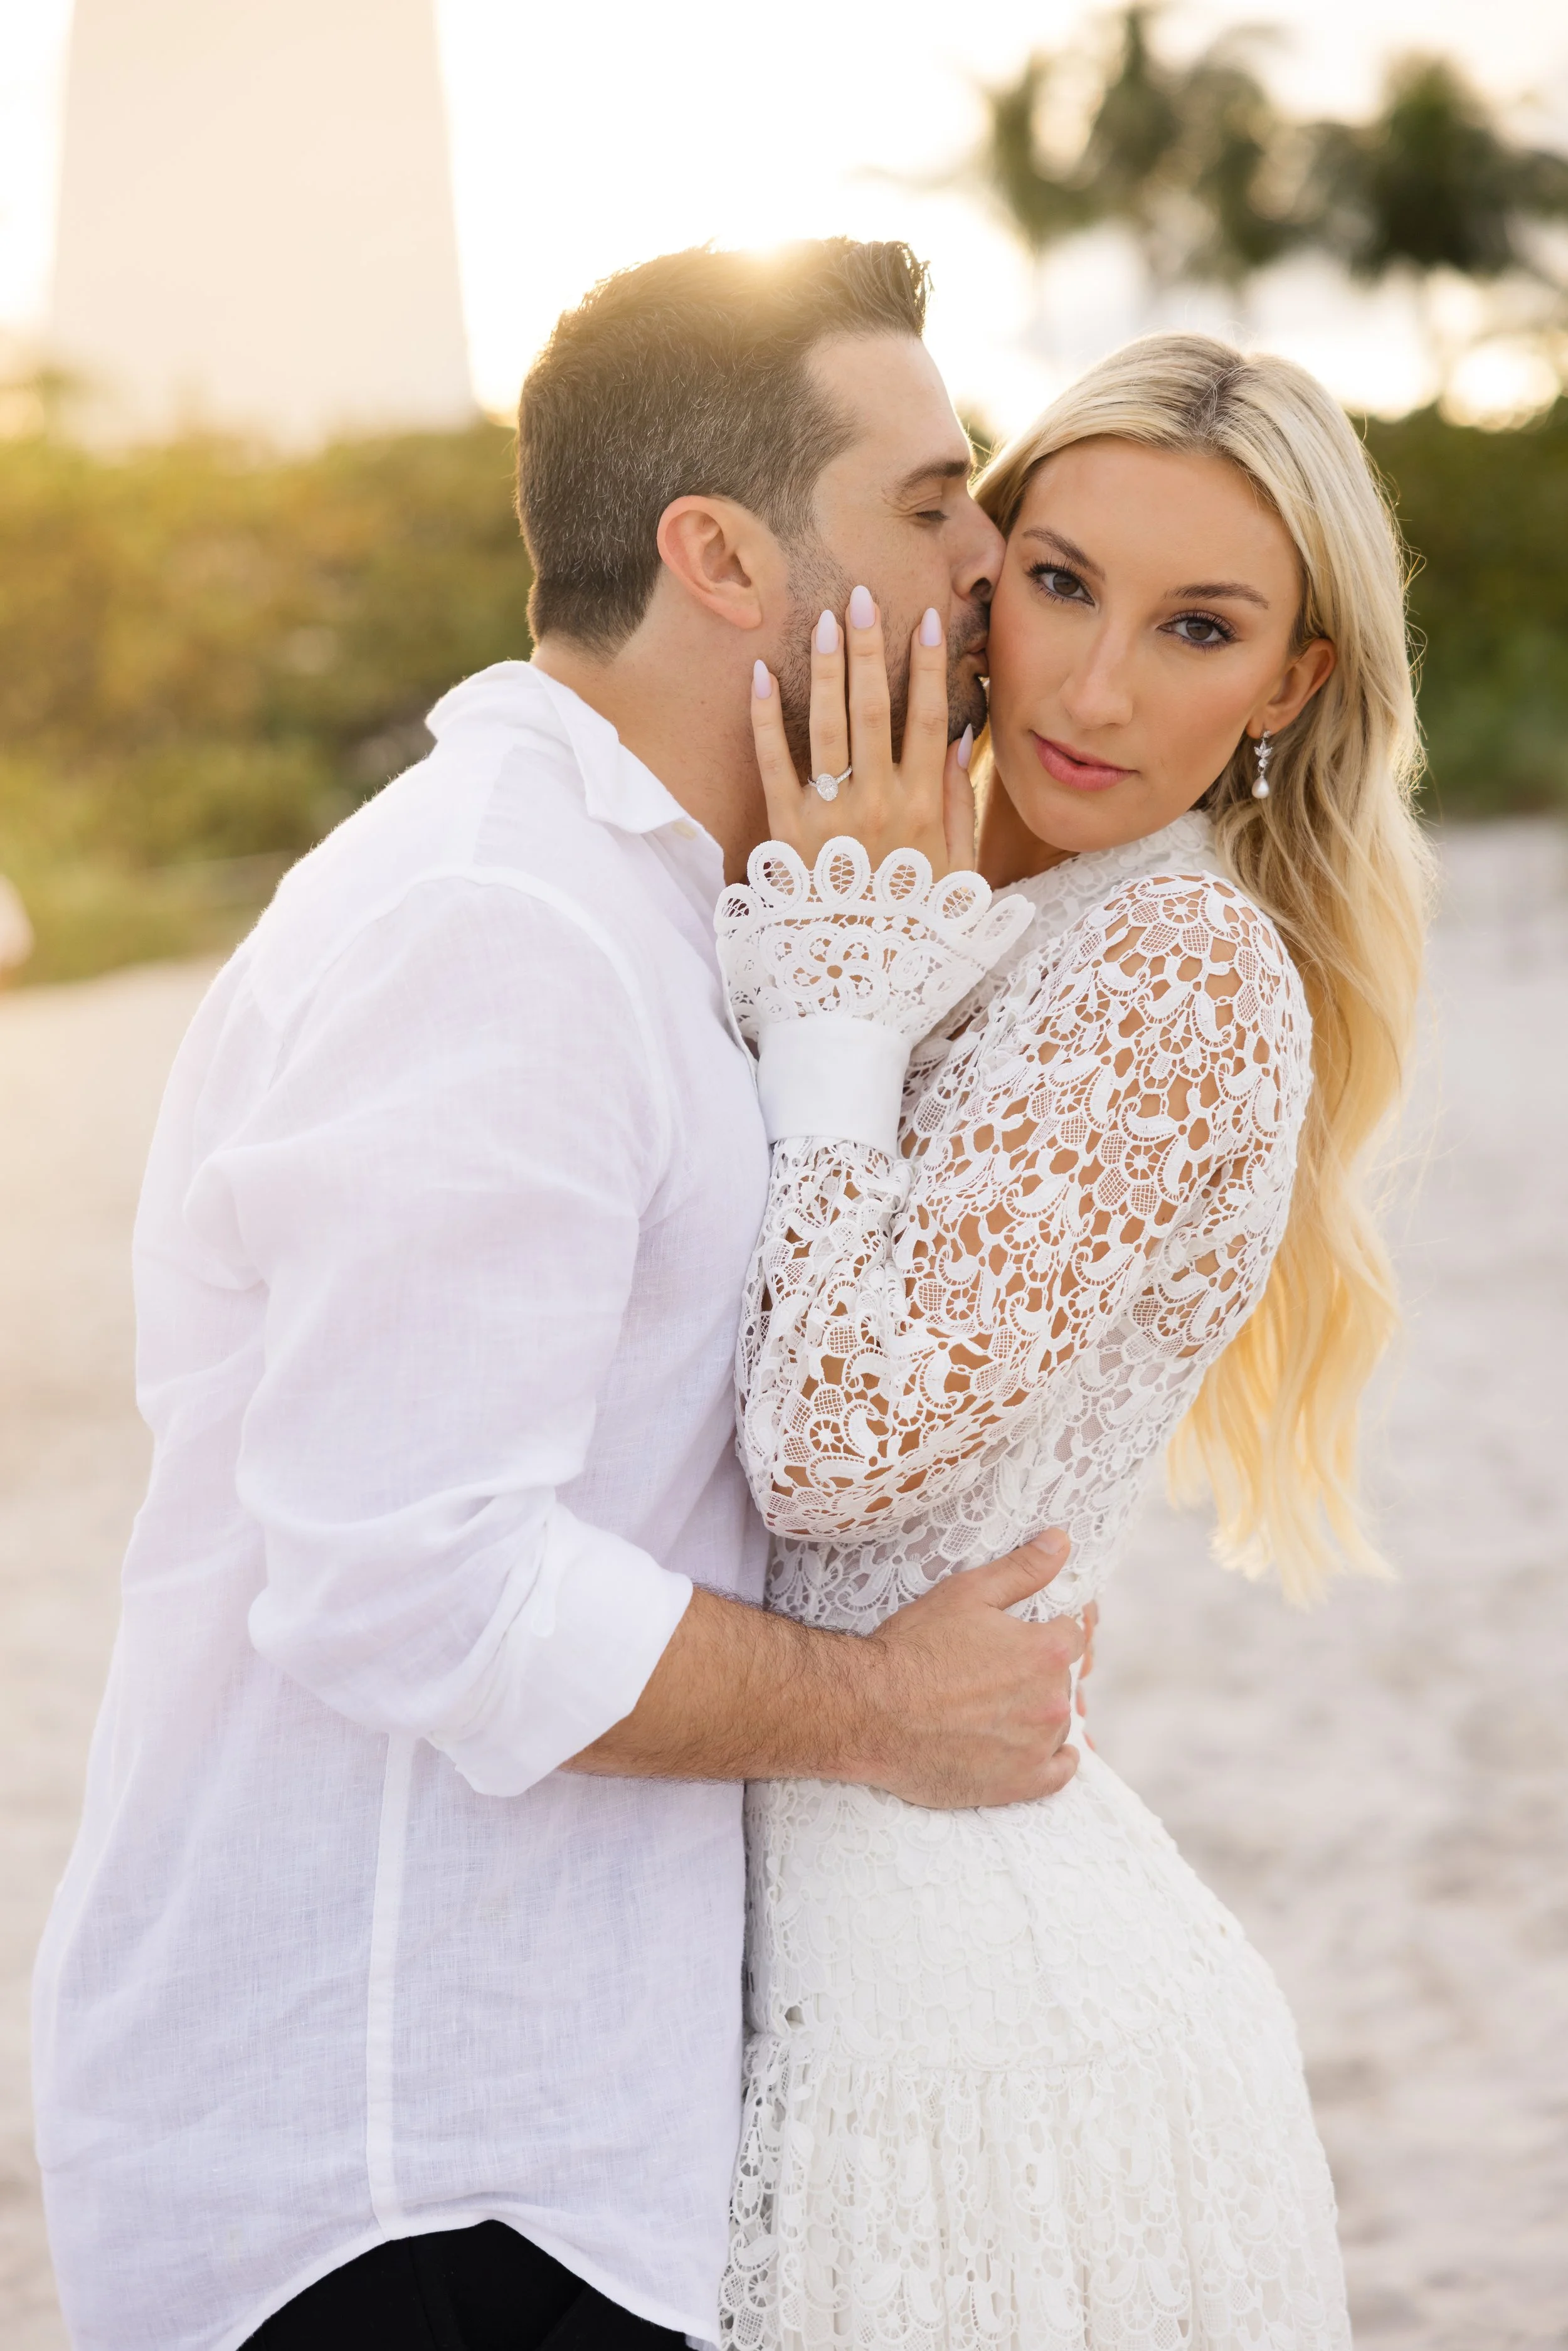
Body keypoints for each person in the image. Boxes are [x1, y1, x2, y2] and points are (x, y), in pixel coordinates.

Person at [31, 241, 1085, 2351]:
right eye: (928, 501)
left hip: (539, 2153)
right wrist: (881, 1713)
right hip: (401, 2167)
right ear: (716, 554)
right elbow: (415, 1573)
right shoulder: (494, 925)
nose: (991, 554)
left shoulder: (672, 910)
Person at [716, 334, 1431, 2348]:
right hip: (744, 1950)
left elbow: (829, 1447)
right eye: (1059, 584)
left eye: (1198, 628)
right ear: (982, 571)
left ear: (1289, 682)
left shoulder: (1181, 969)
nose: (1099, 689)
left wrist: (845, 984)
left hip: (956, 2032)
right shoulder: (893, 852)